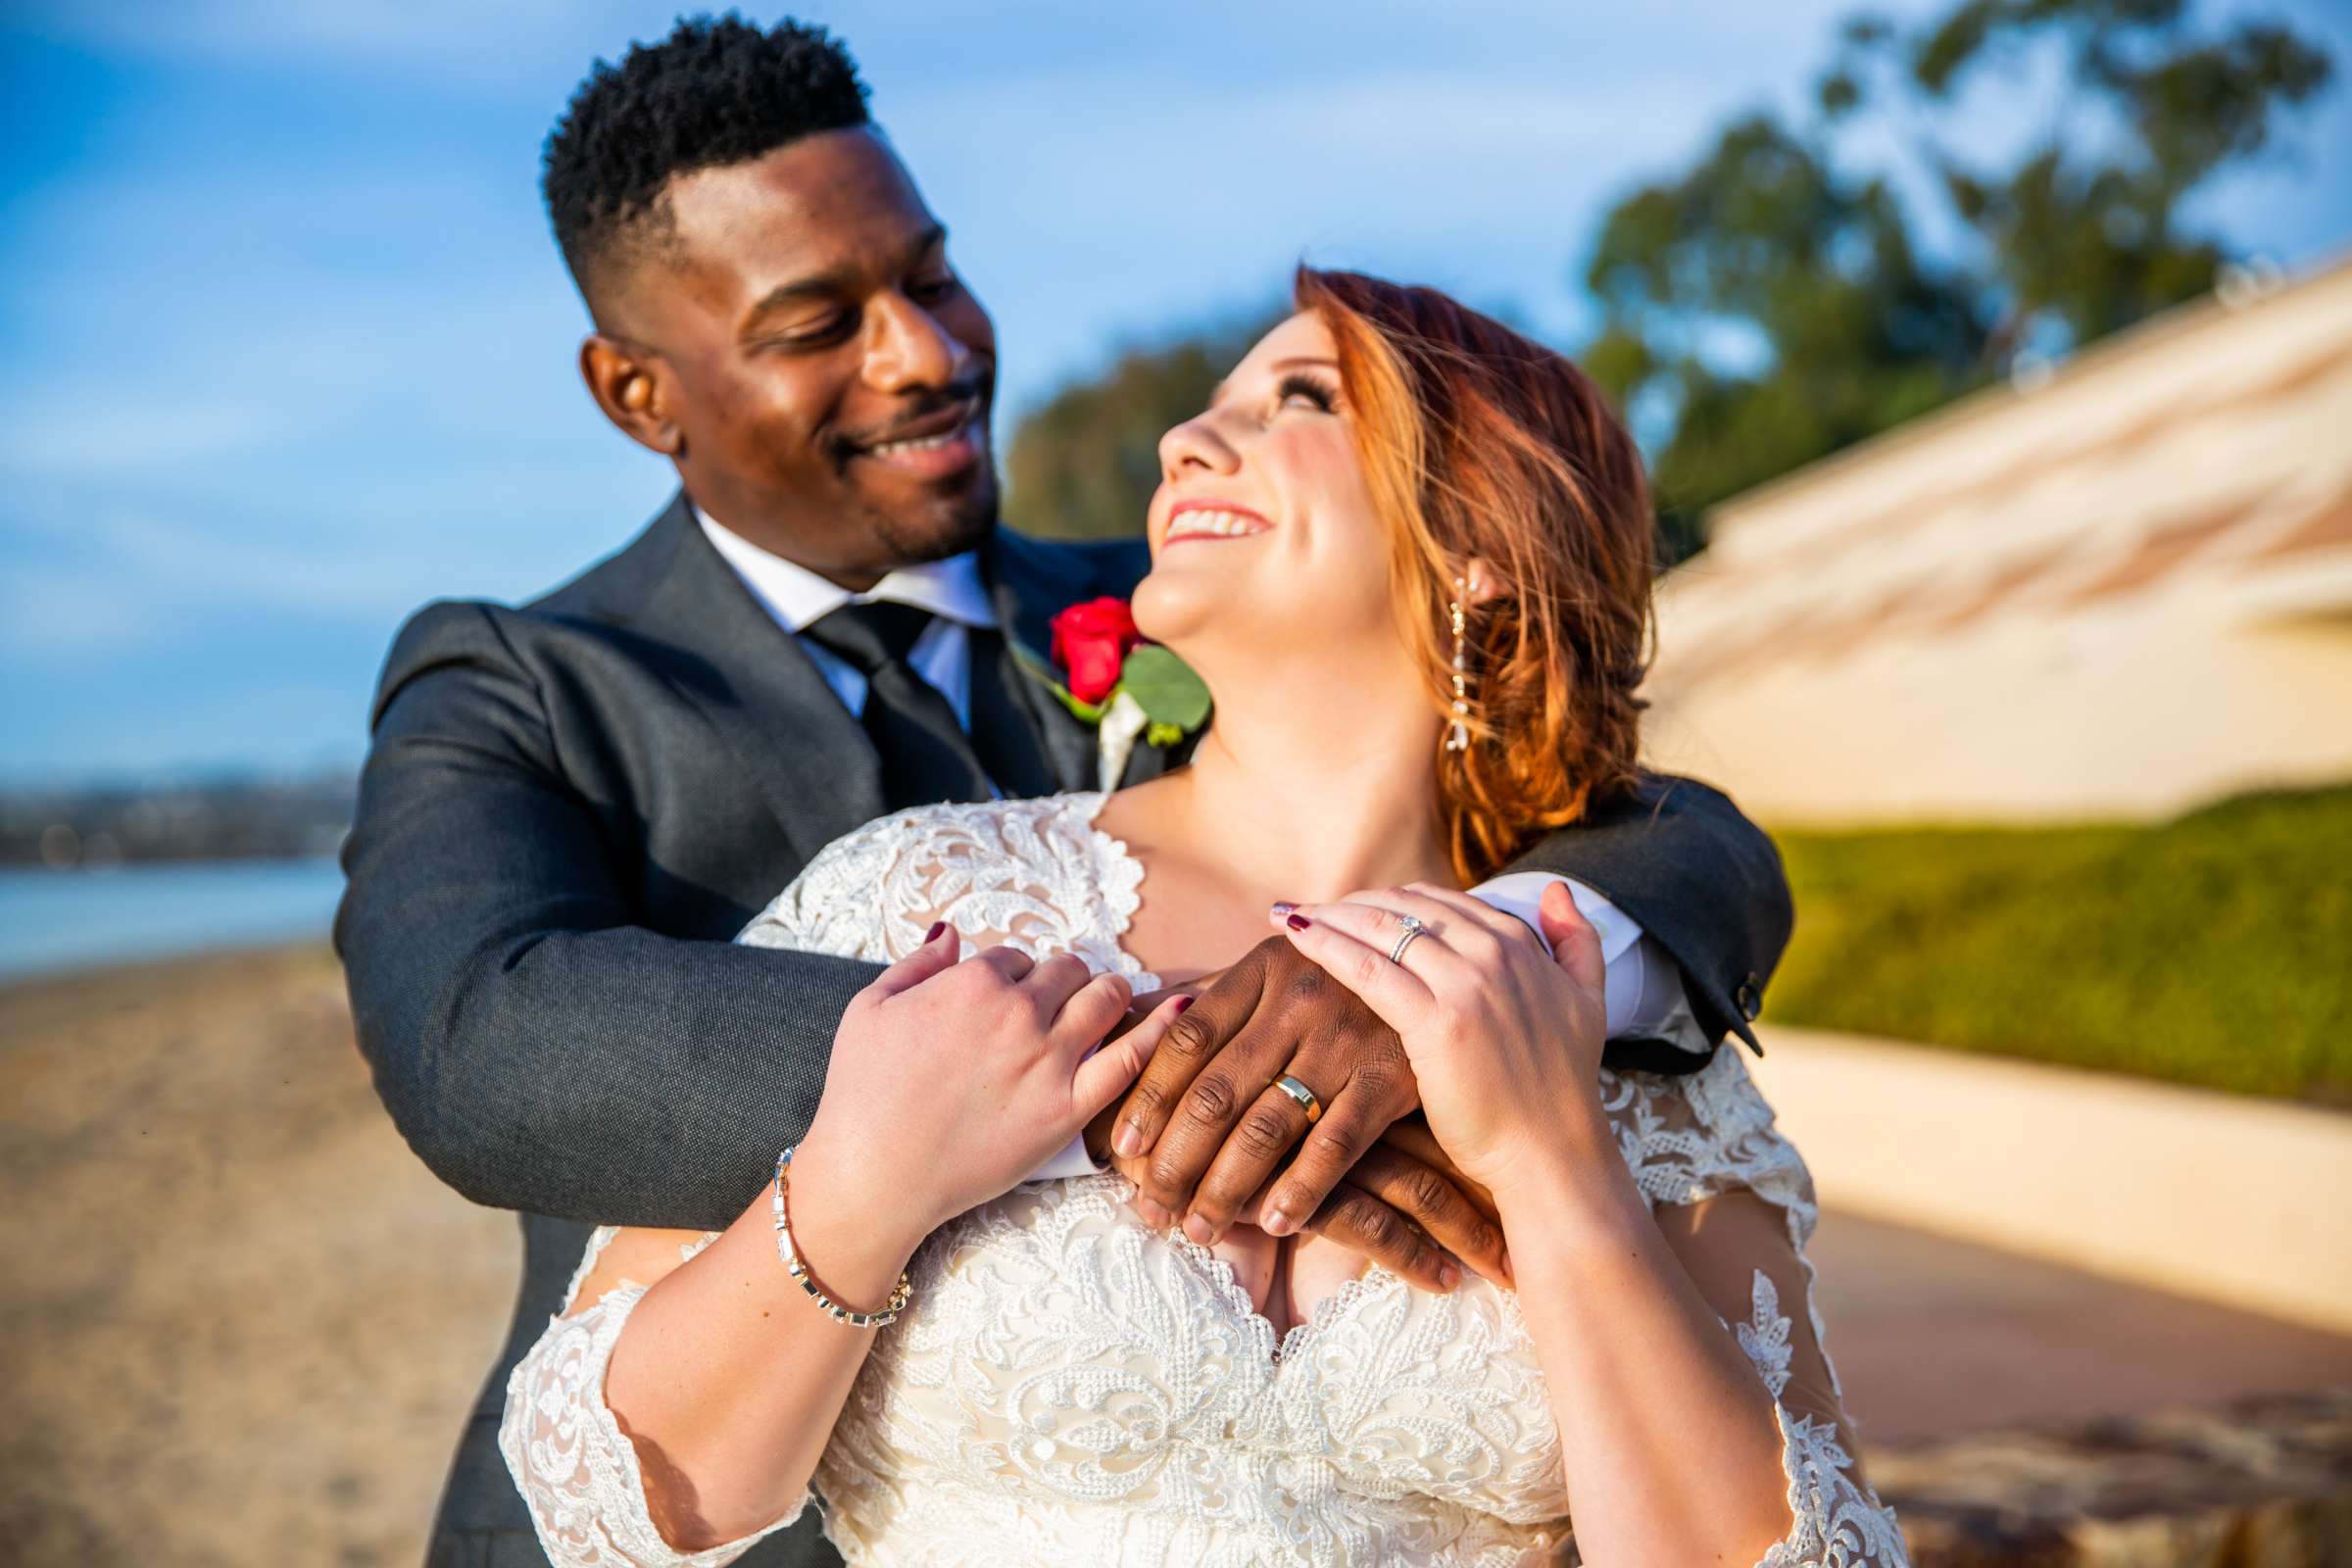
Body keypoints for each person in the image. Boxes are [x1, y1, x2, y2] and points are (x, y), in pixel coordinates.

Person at [337, 20, 1793, 1567]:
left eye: (934, 274)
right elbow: (479, 1046)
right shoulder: (520, 681)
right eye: (819, 321)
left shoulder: (1184, 590)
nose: (930, 351)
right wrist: (1119, 1081)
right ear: (639, 392)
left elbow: (1684, 837)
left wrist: (1416, 990)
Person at [497, 273, 1907, 1565]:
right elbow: (599, 1498)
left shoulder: (1597, 1004)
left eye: (1301, 399)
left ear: (1482, 546)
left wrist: (1553, 1167)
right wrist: (863, 1188)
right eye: (1211, 406)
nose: (1185, 440)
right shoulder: (922, 898)